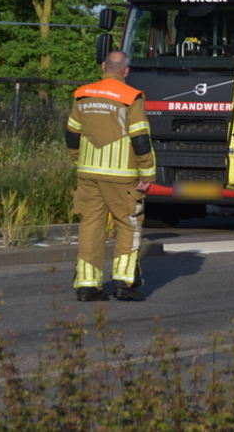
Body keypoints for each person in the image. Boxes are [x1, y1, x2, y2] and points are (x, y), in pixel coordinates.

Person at [66, 50, 156, 301]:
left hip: (88, 173)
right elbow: (140, 138)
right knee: (129, 224)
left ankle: (87, 286)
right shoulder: (131, 96)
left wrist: (78, 158)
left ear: (104, 66)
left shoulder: (82, 94)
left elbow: (71, 133)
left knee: (90, 225)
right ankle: (124, 283)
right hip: (122, 175)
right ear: (125, 71)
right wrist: (147, 173)